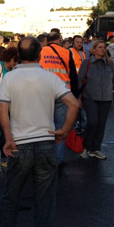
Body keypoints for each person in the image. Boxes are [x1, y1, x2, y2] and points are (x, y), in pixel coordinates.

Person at [0, 37, 79, 227]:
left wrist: (8, 139)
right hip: (46, 144)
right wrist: (64, 131)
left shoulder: (11, 78)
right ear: (39, 55)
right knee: (44, 198)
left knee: (11, 195)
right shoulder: (50, 78)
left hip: (20, 144)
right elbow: (73, 104)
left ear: (19, 54)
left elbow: (2, 110)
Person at [77, 40, 114, 159]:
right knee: (92, 122)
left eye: (104, 47)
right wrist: (77, 98)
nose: (102, 49)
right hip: (90, 97)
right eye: (100, 47)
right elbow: (79, 80)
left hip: (106, 98)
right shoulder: (87, 63)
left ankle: (95, 149)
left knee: (101, 125)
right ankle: (86, 146)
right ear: (94, 49)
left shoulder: (110, 63)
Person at [39, 31, 79, 166]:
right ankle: (58, 159)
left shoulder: (40, 51)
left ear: (46, 40)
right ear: (59, 39)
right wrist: (75, 95)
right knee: (60, 127)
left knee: (43, 126)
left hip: (44, 92)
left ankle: (43, 158)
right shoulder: (66, 52)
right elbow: (73, 76)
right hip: (63, 93)